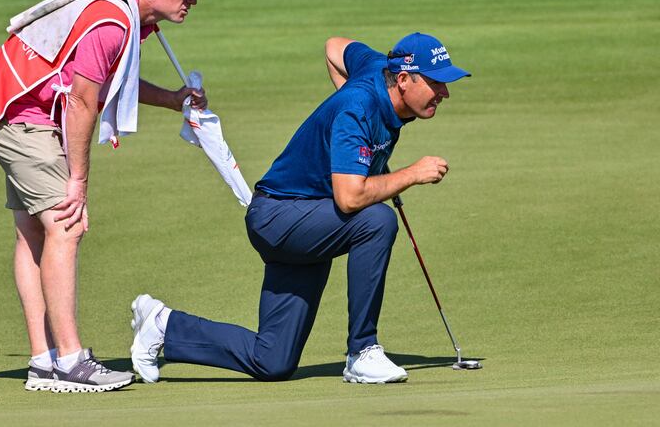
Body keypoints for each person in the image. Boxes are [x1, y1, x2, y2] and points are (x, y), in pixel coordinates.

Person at [129, 32, 470, 384]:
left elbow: (334, 47)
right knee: (377, 219)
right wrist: (410, 174)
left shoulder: (374, 67)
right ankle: (362, 352)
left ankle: (163, 325)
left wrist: (347, 110)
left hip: (309, 220)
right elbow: (350, 198)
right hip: (279, 217)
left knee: (273, 360)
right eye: (436, 83)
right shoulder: (358, 107)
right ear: (402, 79)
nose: (444, 92)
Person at [0, 0, 217, 392]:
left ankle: (44, 361)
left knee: (34, 231)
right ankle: (72, 362)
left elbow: (109, 80)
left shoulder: (131, 18)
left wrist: (174, 100)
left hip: (16, 105)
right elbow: (83, 101)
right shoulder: (113, 21)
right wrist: (78, 181)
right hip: (21, 112)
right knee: (67, 223)